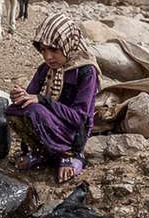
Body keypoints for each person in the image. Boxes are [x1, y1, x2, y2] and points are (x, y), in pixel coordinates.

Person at [6, 13, 99, 184]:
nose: (48, 56)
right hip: (52, 123)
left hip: (73, 133)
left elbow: (79, 118)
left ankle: (69, 155)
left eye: (54, 49)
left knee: (35, 110)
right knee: (14, 110)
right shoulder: (45, 69)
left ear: (67, 44)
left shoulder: (86, 71)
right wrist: (20, 96)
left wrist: (43, 100)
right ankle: (42, 152)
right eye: (43, 50)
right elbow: (30, 98)